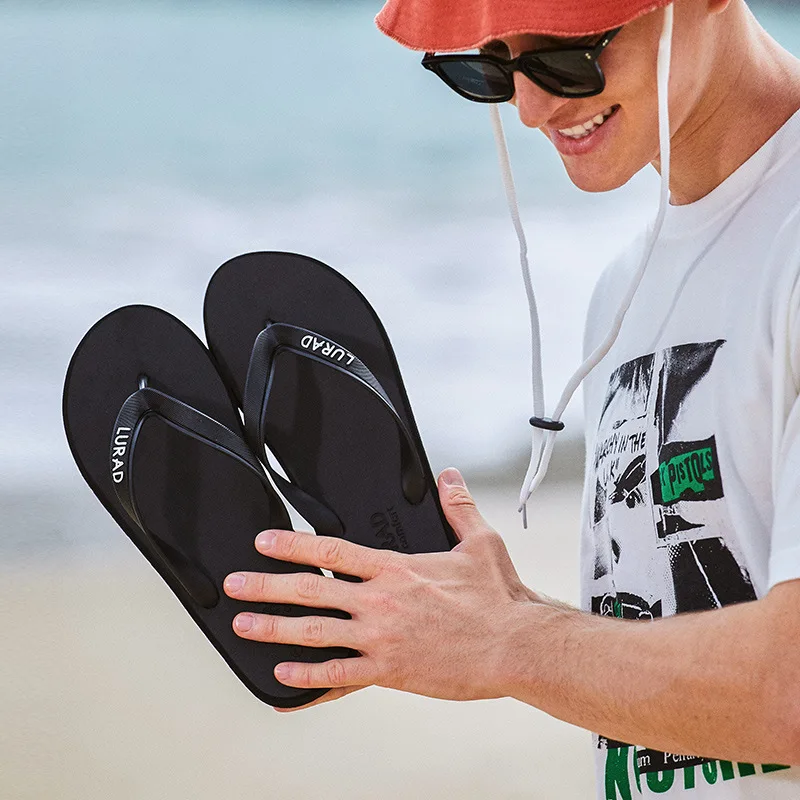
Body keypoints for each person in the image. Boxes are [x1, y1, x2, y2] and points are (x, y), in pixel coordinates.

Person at [222, 0, 800, 795]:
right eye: (493, 66)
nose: (531, 108)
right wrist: (491, 614)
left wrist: (508, 641)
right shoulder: (623, 290)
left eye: (569, 54)